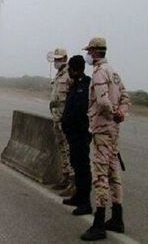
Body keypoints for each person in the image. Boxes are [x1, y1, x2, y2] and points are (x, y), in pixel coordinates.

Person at [81, 37, 131, 241]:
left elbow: (102, 101)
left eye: (89, 52)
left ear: (94, 52)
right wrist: (121, 113)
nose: (88, 56)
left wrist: (113, 113)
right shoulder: (114, 72)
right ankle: (117, 218)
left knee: (100, 174)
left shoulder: (100, 72)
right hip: (113, 131)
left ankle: (99, 223)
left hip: (102, 129)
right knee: (113, 173)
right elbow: (126, 97)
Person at [61, 55, 93, 216]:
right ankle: (78, 196)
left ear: (75, 69)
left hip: (81, 134)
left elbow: (81, 112)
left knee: (83, 168)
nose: (69, 72)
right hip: (73, 134)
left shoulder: (86, 85)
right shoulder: (75, 85)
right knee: (76, 164)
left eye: (70, 69)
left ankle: (85, 202)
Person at [49, 48, 75, 197]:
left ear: (65, 58)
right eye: (55, 59)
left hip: (65, 117)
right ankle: (65, 176)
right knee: (62, 148)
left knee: (68, 149)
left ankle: (72, 180)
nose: (56, 62)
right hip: (56, 116)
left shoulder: (69, 74)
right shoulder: (59, 75)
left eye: (59, 59)